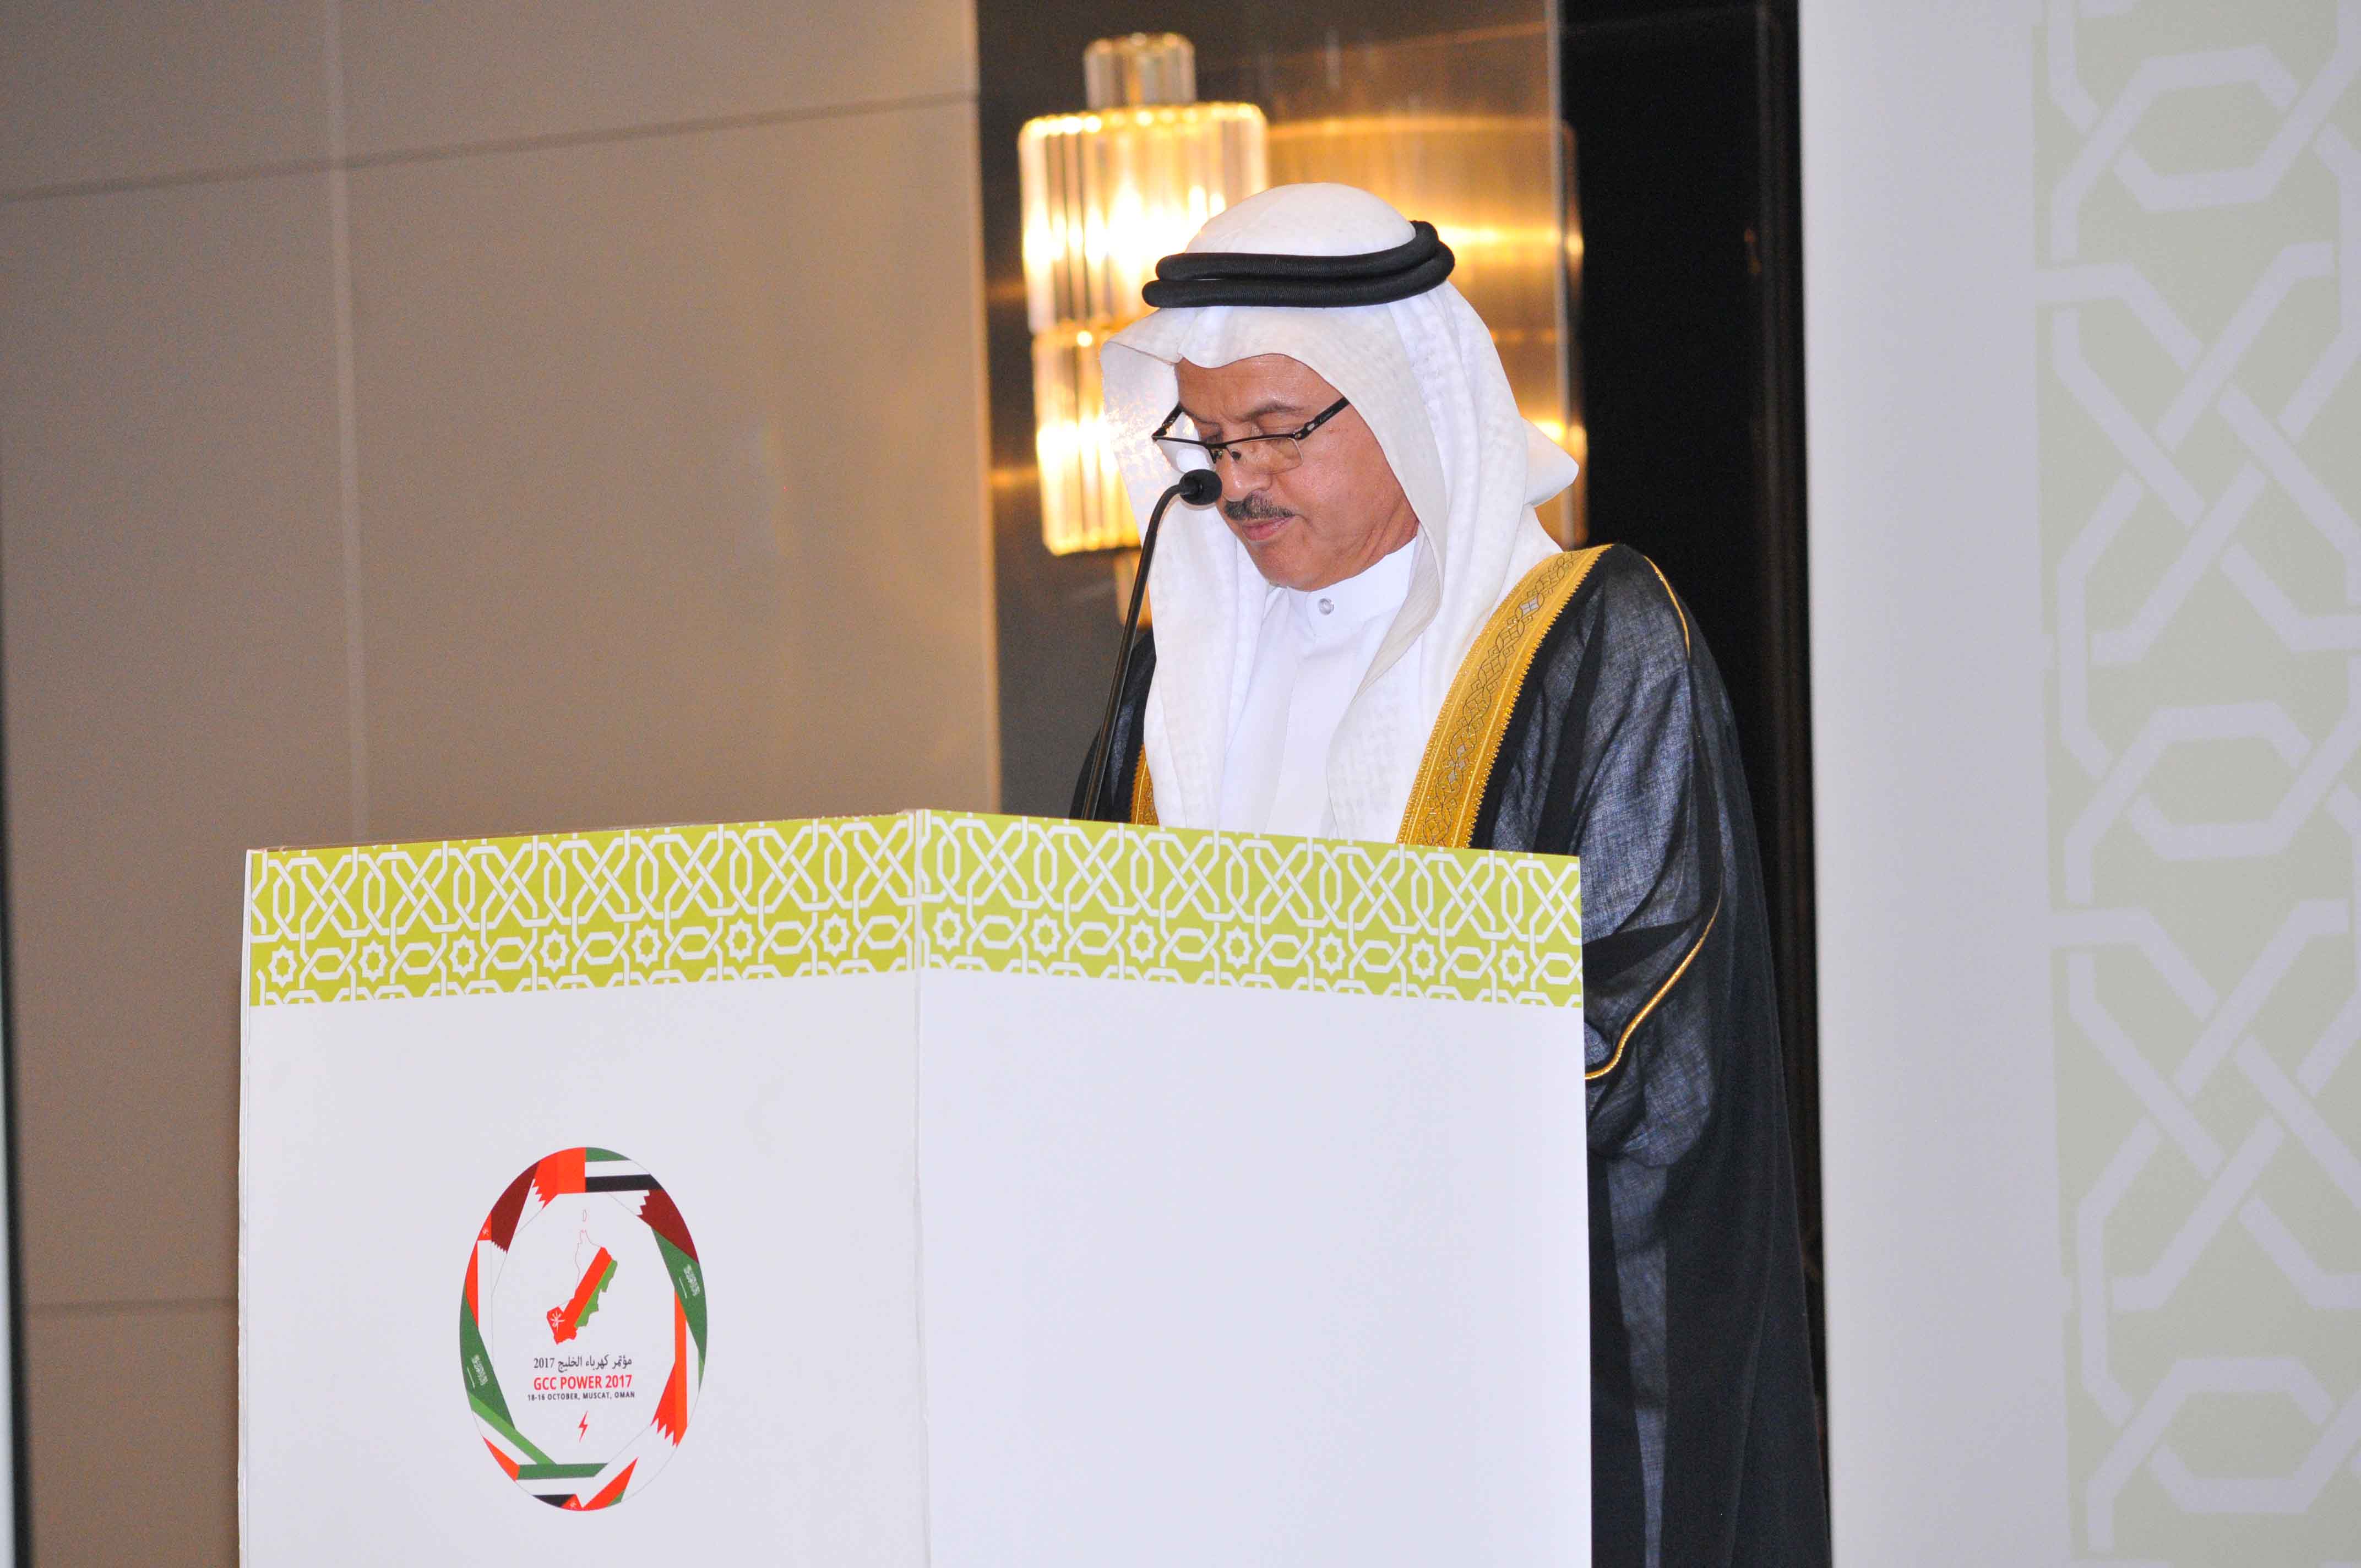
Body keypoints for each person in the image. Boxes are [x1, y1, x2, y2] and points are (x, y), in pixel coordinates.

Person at [1070, 183, 1829, 1568]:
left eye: (1279, 429)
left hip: (1509, 1365)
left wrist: (1336, 1130)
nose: (1237, 480)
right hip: (1232, 1367)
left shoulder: (1588, 642)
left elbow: (1643, 1027)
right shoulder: (1178, 686)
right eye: (1210, 438)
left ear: (1408, 397)